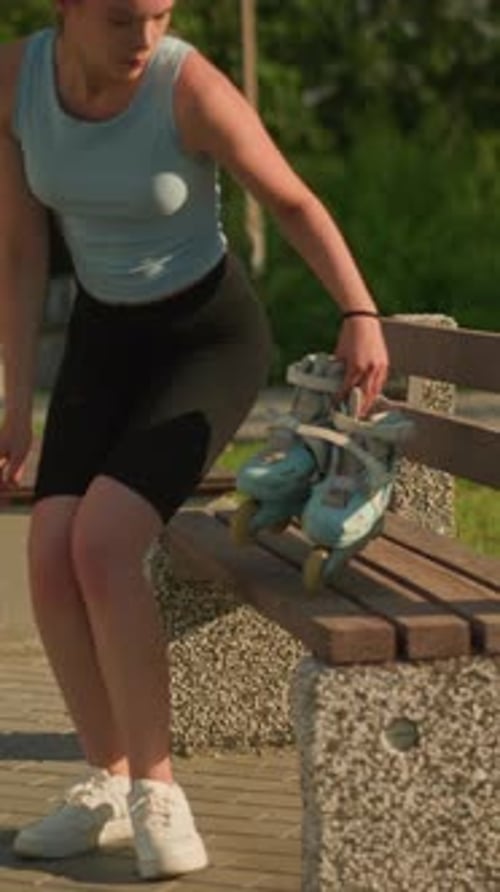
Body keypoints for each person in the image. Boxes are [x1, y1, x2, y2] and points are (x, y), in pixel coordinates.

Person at [0, 0, 389, 881]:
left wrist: (359, 310)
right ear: (67, 7)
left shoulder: (189, 88)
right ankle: (107, 778)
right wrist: (15, 404)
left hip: (206, 342)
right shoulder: (15, 83)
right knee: (49, 550)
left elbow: (290, 198)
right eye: (121, 19)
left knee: (103, 544)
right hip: (105, 343)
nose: (144, 38)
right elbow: (19, 252)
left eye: (159, 15)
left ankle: (160, 790)